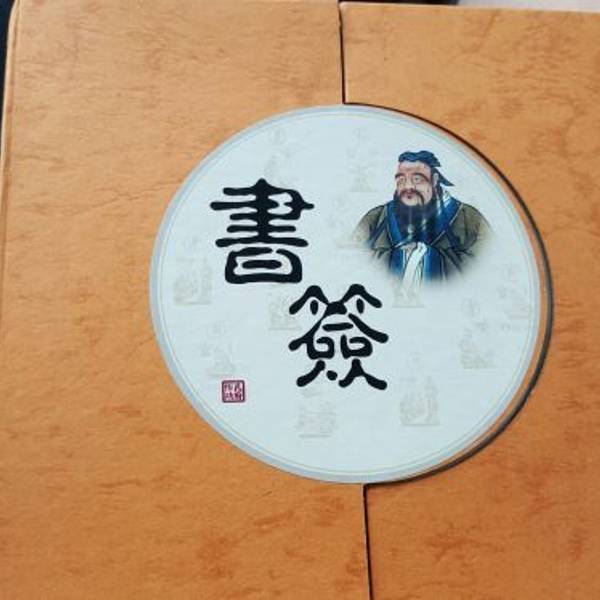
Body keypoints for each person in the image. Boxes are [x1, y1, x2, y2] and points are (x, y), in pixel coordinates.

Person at [354, 150, 490, 286]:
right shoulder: (376, 218)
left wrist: (422, 255)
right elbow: (350, 261)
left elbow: (489, 266)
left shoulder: (469, 218)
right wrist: (403, 256)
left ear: (434, 180)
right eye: (401, 180)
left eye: (417, 179)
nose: (408, 186)